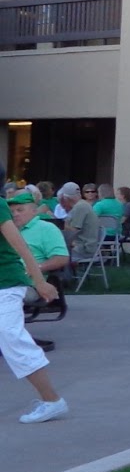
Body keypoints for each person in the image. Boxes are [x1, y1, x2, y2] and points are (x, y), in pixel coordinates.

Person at [0, 171, 66, 422]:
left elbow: (21, 246)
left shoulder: (0, 206)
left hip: (6, 283)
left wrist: (39, 281)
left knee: (10, 337)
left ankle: (52, 401)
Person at [55, 182, 100, 266]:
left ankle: (59, 274)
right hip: (83, 246)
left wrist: (59, 225)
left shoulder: (80, 207)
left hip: (83, 249)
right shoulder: (82, 205)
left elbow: (72, 232)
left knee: (52, 253)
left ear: (65, 198)